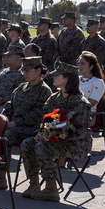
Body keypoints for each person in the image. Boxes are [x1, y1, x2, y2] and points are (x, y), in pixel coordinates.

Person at [0, 56, 52, 190]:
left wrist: (16, 123)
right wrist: (5, 119)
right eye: (24, 71)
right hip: (13, 125)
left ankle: (1, 178)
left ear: (39, 70)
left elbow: (38, 115)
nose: (26, 73)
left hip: (30, 128)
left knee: (5, 137)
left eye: (29, 70)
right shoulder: (21, 87)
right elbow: (10, 105)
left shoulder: (44, 90)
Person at [18, 61, 92, 201]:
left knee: (43, 147)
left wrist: (50, 136)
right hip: (54, 139)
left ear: (66, 79)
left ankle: (51, 189)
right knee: (27, 143)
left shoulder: (79, 102)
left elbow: (80, 131)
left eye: (57, 75)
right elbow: (44, 121)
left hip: (78, 144)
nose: (53, 77)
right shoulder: (53, 98)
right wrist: (41, 133)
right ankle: (34, 184)